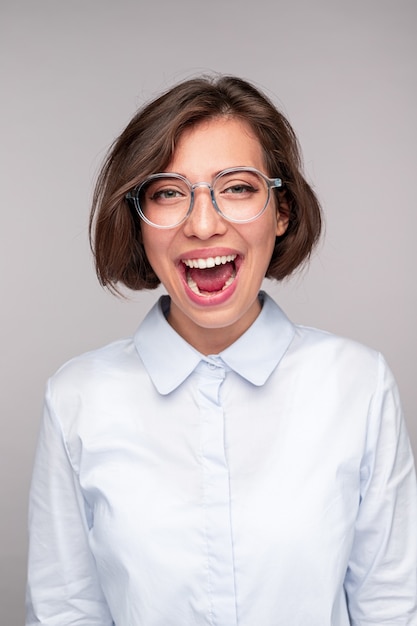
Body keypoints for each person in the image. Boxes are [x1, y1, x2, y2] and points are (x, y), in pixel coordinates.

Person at [26, 75, 417, 626]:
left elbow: (391, 608)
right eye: (167, 192)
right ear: (137, 222)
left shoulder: (357, 384)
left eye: (237, 187)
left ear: (281, 212)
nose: (203, 225)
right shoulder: (78, 399)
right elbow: (64, 612)